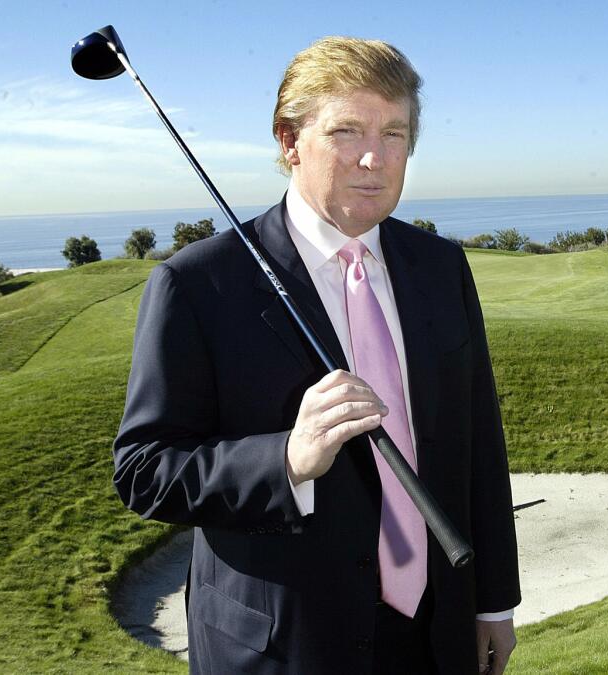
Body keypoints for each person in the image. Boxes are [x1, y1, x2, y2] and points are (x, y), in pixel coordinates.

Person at [113, 36, 520, 674]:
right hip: (284, 647)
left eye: (394, 133)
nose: (373, 158)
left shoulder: (441, 267)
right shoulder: (199, 285)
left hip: (436, 632)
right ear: (289, 141)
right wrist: (287, 459)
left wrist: (493, 602)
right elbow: (145, 469)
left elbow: (477, 444)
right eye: (346, 130)